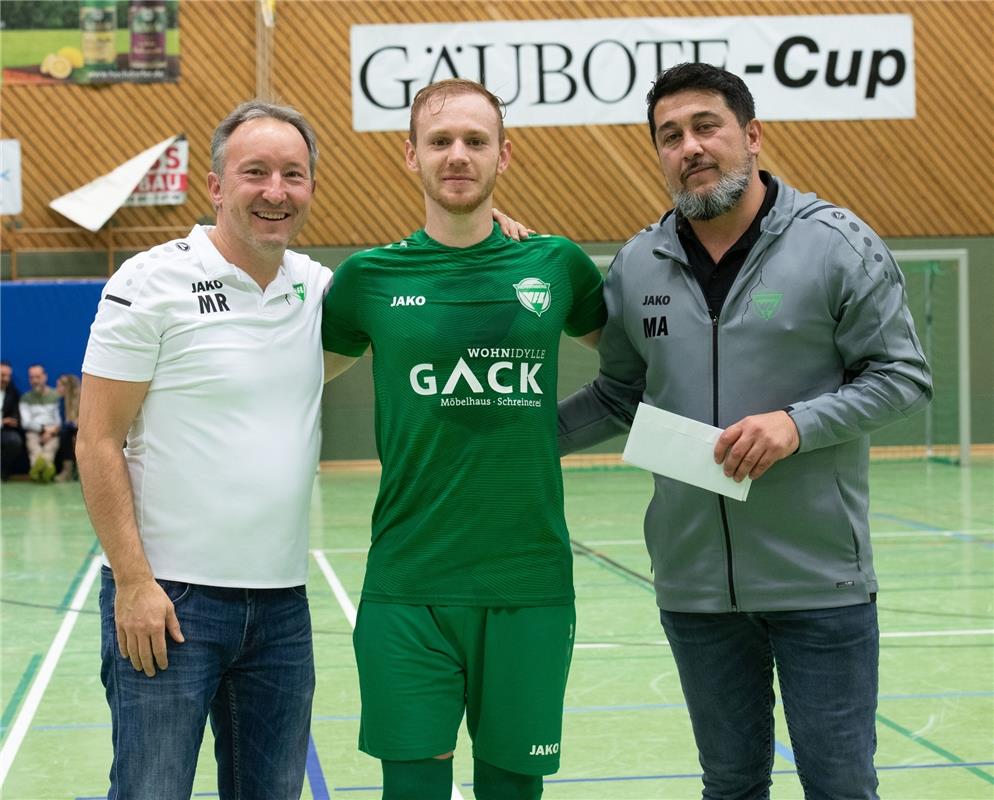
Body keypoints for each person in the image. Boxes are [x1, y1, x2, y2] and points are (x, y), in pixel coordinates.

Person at [558, 62, 932, 799]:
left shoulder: (836, 244)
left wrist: (796, 426)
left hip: (820, 582)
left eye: (707, 127)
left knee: (841, 786)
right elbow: (620, 395)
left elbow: (903, 376)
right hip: (695, 588)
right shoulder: (638, 264)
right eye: (670, 136)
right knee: (729, 785)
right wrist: (514, 439)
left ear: (751, 136)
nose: (690, 147)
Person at [321, 78, 606, 800]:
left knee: (513, 791)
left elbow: (640, 371)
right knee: (411, 789)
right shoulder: (367, 280)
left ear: (504, 157)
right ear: (408, 156)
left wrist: (555, 432)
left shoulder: (554, 265)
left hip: (529, 584)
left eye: (476, 141)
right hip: (408, 585)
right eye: (440, 141)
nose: (457, 156)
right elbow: (280, 386)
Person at [77, 100, 329, 800]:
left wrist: (502, 233)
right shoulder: (148, 283)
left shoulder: (318, 291)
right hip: (169, 601)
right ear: (216, 186)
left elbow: (426, 280)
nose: (275, 191)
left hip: (281, 610)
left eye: (293, 174)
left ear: (310, 187)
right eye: (255, 173)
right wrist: (133, 582)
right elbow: (97, 440)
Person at [19, 363, 61, 483]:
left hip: (52, 431)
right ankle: (45, 469)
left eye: (37, 377)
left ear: (45, 377)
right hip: (34, 431)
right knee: (33, 447)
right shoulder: (25, 398)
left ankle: (38, 471)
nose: (35, 380)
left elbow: (58, 420)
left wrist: (51, 431)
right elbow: (25, 423)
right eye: (32, 378)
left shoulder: (55, 395)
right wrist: (43, 430)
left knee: (50, 447)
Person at [1, 361, 26, 480]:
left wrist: (14, 420)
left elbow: (16, 414)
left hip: (4, 431)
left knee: (15, 440)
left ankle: (3, 471)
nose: (5, 379)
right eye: (2, 375)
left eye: (8, 376)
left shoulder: (13, 393)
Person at [55, 373, 80, 482]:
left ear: (67, 387)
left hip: (85, 431)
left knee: (66, 432)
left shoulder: (82, 399)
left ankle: (80, 471)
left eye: (59, 386)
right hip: (72, 431)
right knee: (64, 433)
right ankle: (67, 470)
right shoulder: (62, 402)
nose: (57, 389)